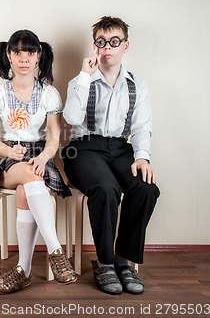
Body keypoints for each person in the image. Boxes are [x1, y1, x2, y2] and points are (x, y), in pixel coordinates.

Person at [62, 16, 160, 295]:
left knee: (145, 189)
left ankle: (123, 260)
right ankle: (104, 263)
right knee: (106, 189)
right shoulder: (81, 81)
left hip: (120, 148)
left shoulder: (136, 84)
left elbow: (142, 126)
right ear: (95, 46)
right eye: (101, 42)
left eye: (114, 42)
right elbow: (71, 117)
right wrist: (83, 75)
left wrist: (142, 157)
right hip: (83, 149)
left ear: (125, 46)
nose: (108, 48)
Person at [0, 30, 76, 294]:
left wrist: (44, 157)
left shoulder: (49, 94)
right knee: (30, 177)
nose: (24, 58)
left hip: (40, 157)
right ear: (8, 55)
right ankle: (56, 252)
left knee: (27, 189)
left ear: (39, 56)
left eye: (30, 52)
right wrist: (8, 151)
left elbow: (54, 139)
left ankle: (22, 271)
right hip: (7, 160)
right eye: (17, 52)